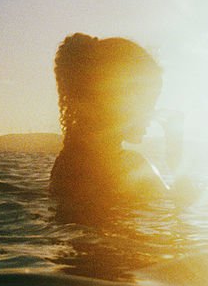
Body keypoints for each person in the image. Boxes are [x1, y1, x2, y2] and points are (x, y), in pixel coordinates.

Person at [50, 33, 187, 219]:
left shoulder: (68, 164)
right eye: (148, 100)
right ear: (115, 95)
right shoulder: (126, 166)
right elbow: (181, 222)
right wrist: (176, 160)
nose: (153, 113)